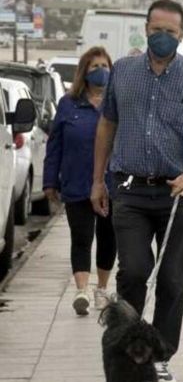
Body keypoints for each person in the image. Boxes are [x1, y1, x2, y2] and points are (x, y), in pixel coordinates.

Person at [91, 0, 183, 382]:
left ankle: (160, 356)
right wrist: (98, 180)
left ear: (181, 35)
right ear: (145, 29)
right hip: (130, 191)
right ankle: (125, 347)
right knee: (133, 271)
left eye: (170, 32)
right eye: (156, 29)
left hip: (177, 193)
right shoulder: (124, 72)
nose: (162, 37)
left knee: (171, 280)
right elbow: (106, 126)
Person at [44, 47, 118, 316]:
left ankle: (101, 288)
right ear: (84, 72)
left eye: (105, 65)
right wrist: (49, 181)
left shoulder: (117, 103)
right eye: (95, 65)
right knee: (81, 237)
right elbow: (55, 145)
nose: (101, 71)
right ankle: (82, 291)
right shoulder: (68, 104)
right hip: (76, 182)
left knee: (108, 237)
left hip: (111, 184)